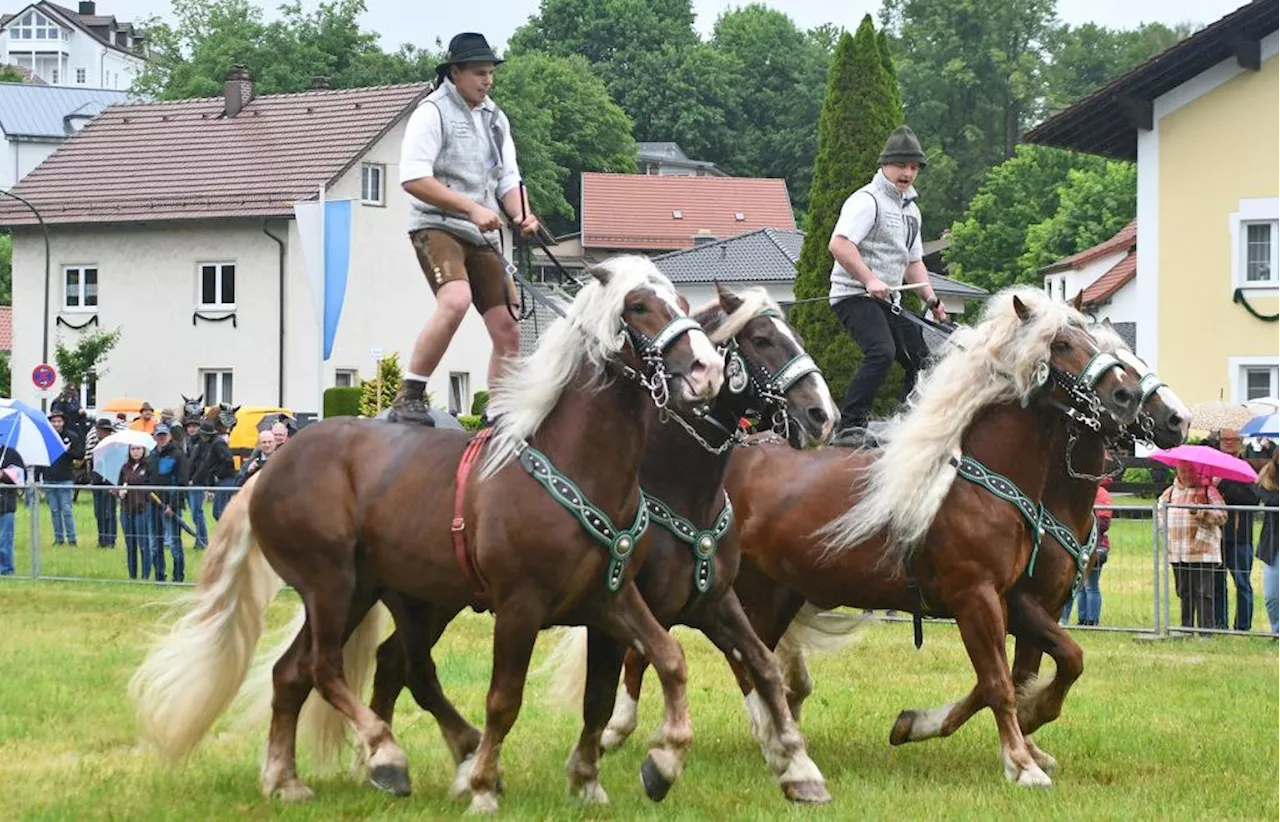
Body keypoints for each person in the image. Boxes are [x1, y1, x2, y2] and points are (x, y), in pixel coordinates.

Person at [389, 31, 540, 425]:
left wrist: (523, 213)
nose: (487, 80)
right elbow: (413, 178)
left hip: (483, 233)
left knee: (508, 325)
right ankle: (411, 394)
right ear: (454, 72)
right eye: (479, 73)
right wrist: (471, 208)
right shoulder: (432, 112)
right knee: (455, 301)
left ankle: (498, 410)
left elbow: (509, 179)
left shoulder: (495, 118)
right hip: (437, 226)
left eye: (490, 72)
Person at [828, 125, 948, 435]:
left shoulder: (912, 210)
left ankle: (912, 423)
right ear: (884, 165)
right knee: (882, 352)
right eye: (901, 166)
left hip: (886, 301)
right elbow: (839, 244)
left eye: (913, 167)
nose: (907, 172)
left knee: (922, 359)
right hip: (854, 296)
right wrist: (869, 279)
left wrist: (932, 300)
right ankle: (850, 424)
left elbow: (913, 262)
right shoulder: (867, 200)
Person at [1158, 461, 1227, 632]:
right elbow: (1160, 514)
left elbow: (1223, 515)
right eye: (1183, 471)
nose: (1187, 475)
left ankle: (1206, 630)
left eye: (1191, 471)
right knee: (1184, 592)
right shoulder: (1169, 493)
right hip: (1178, 551)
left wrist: (1203, 513)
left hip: (1203, 551)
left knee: (1204, 593)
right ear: (1177, 472)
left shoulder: (1208, 491)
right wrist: (1165, 531)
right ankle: (1185, 629)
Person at [1213, 429, 1256, 631]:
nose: (1229, 443)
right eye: (1225, 439)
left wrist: (1223, 485)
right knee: (1217, 583)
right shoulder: (1212, 465)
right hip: (1215, 535)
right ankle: (1219, 624)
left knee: (1242, 583)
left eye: (1234, 440)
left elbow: (1252, 498)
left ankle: (1243, 626)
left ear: (1241, 442)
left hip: (1240, 536)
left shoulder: (1246, 468)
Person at [1062, 478, 1113, 626]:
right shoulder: (1085, 491)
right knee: (1080, 586)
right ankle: (1083, 618)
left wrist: (1083, 525)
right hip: (1081, 545)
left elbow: (1104, 522)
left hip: (1096, 546)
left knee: (1091, 585)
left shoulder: (1101, 494)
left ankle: (1092, 620)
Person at [147, 423, 189, 583]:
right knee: (155, 545)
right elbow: (147, 480)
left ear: (169, 436)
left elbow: (182, 482)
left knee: (174, 544)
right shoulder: (151, 456)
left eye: (164, 435)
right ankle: (159, 576)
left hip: (171, 506)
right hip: (153, 505)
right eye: (159, 435)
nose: (162, 438)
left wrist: (174, 504)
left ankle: (178, 577)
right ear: (155, 437)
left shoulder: (178, 455)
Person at [42, 410, 83, 546]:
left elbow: (79, 454)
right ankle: (58, 538)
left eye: (59, 421)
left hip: (65, 477)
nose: (56, 424)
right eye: (54, 421)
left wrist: (67, 451)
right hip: (49, 477)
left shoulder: (71, 436)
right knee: (54, 510)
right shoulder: (46, 437)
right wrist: (38, 476)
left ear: (63, 422)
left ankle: (72, 539)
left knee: (66, 509)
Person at [117, 444, 153, 580]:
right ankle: (132, 575)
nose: (136, 452)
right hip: (126, 509)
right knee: (130, 544)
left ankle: (145, 575)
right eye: (133, 449)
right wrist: (119, 491)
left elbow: (151, 486)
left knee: (144, 544)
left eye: (138, 449)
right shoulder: (125, 467)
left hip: (142, 509)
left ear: (144, 450)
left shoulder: (148, 466)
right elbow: (119, 484)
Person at [1255, 448, 1280, 638]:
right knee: (1272, 594)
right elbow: (1270, 500)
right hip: (1274, 545)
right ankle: (1277, 631)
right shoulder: (1267, 478)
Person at [87, 417, 119, 549]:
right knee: (99, 512)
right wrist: (92, 479)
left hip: (110, 482)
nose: (102, 433)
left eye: (105, 431)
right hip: (97, 482)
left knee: (110, 512)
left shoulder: (115, 447)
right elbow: (90, 463)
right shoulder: (94, 446)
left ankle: (111, 539)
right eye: (100, 430)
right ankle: (102, 538)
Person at [0, 448, 25, 576]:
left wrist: (4, 475)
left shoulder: (11, 454)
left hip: (5, 505)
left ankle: (6, 570)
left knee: (4, 541)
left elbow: (21, 476)